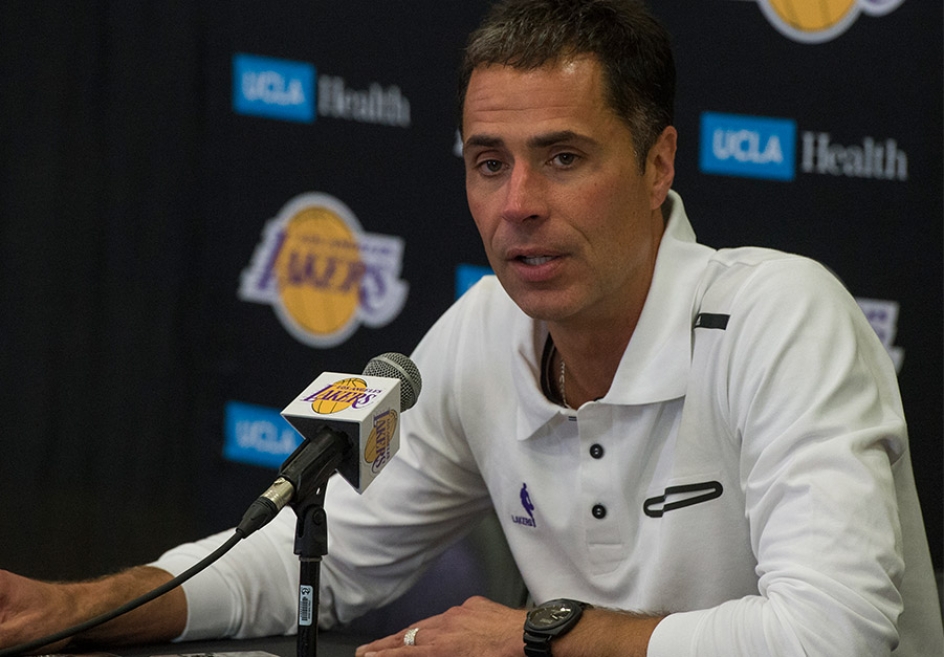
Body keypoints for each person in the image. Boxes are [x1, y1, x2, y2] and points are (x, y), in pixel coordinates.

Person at [1, 0, 942, 655]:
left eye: (563, 157)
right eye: (490, 163)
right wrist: (73, 610)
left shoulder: (782, 317)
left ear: (658, 166)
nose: (518, 203)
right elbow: (311, 565)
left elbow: (832, 636)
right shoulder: (485, 329)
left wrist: (540, 633)